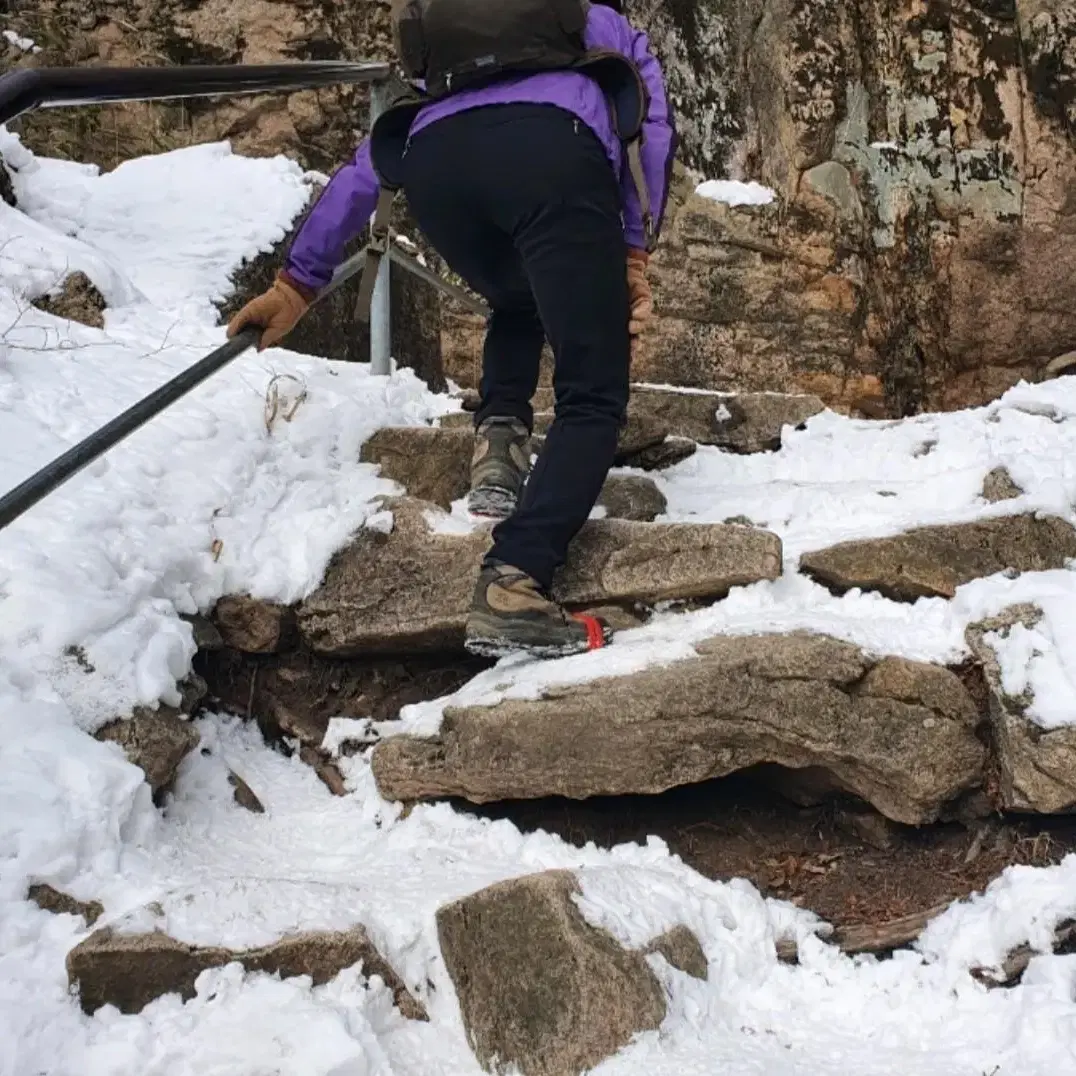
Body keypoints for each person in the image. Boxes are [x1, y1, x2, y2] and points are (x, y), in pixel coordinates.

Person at [228, 0, 676, 659]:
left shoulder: (441, 28)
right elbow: (649, 121)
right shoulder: (582, 14)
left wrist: (298, 283)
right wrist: (633, 250)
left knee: (516, 295)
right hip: (554, 154)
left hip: (440, 167)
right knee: (592, 393)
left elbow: (370, 160)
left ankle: (499, 444)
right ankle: (514, 582)